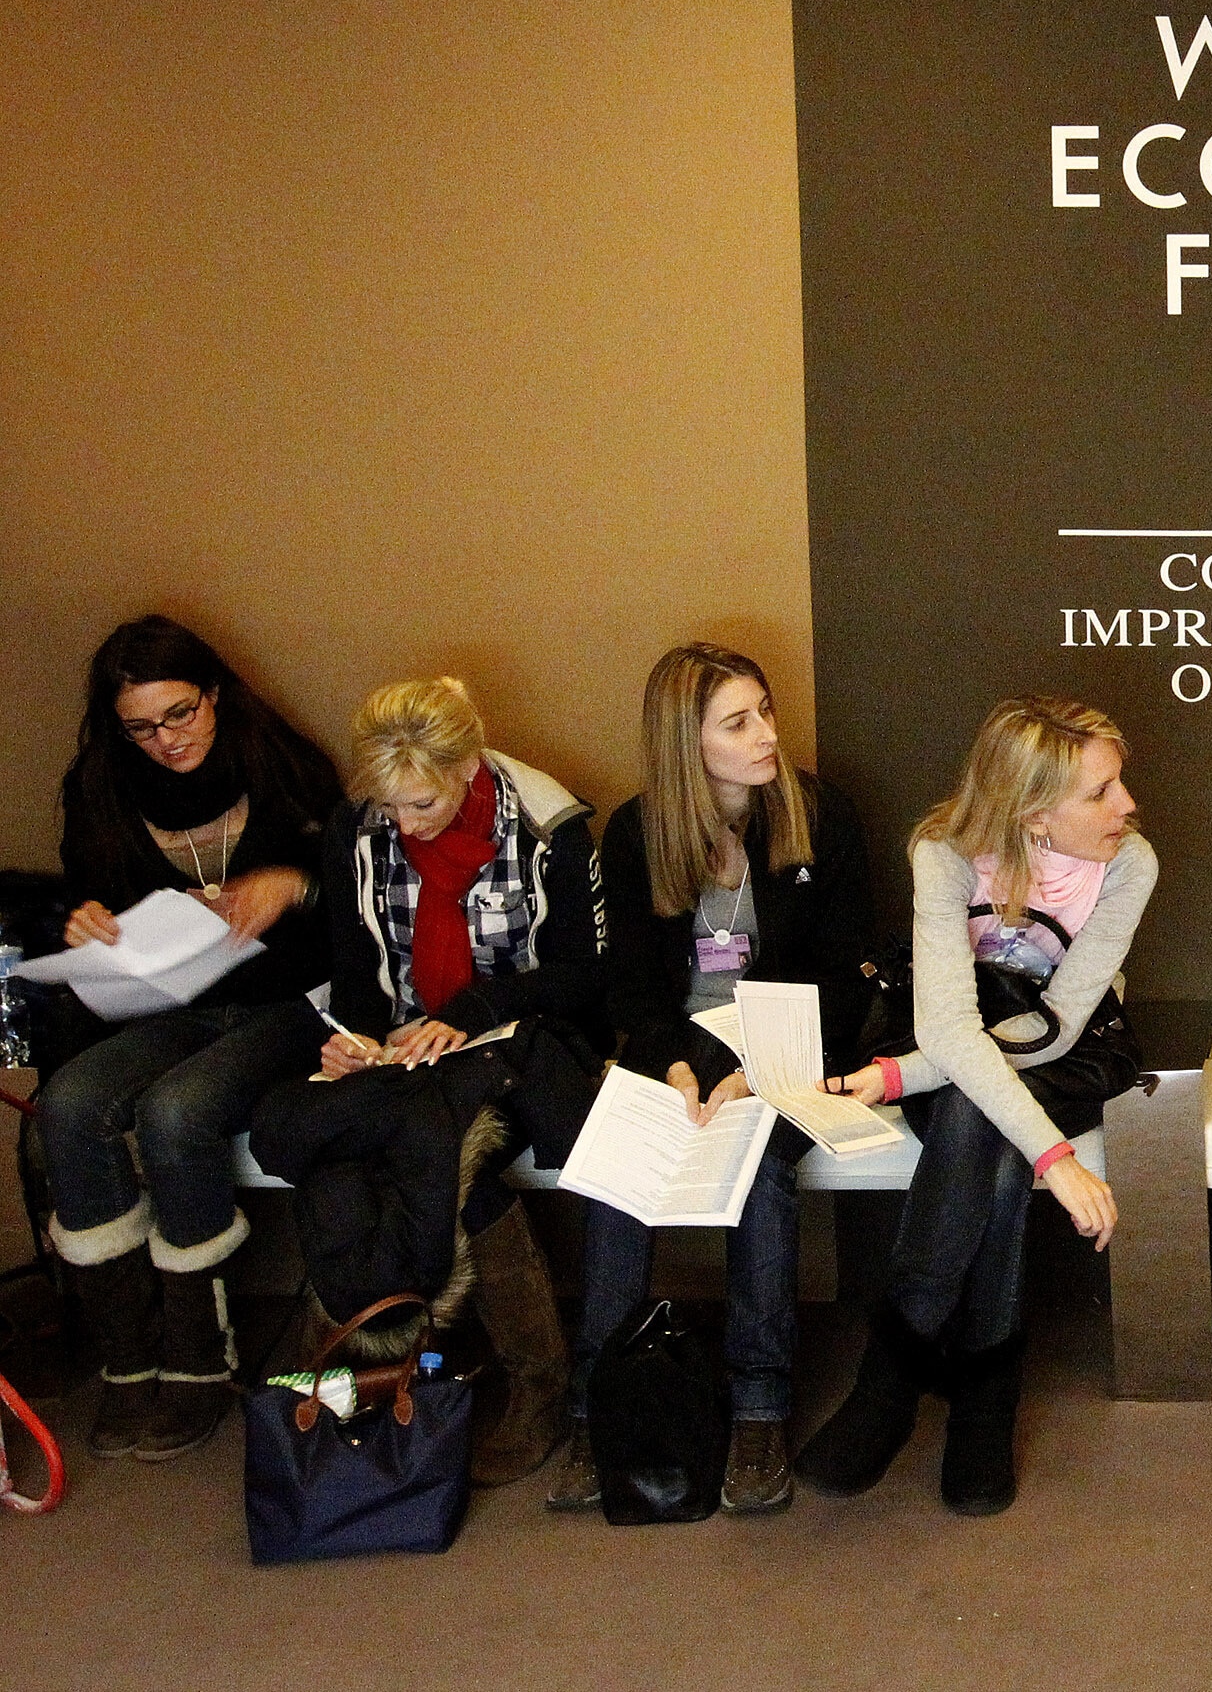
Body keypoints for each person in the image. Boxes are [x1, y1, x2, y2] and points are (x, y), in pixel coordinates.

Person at [794, 695, 1152, 1516]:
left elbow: (1059, 1025)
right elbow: (951, 1026)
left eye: (1118, 782)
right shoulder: (945, 854)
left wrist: (898, 1078)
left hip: (1062, 1054)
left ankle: (889, 1387)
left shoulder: (1132, 863)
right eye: (1100, 792)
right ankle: (984, 1406)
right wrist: (1050, 1158)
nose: (1127, 806)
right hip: (951, 1054)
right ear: (1031, 812)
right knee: (975, 1124)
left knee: (971, 1112)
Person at [251, 675, 607, 1488]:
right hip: (406, 1056)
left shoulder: (548, 827)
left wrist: (474, 1007)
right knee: (334, 1146)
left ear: (468, 765)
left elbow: (583, 979)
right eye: (390, 806)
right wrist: (354, 1044)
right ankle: (359, 1374)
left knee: (444, 1156)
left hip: (516, 1047)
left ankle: (538, 1382)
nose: (403, 824)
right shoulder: (359, 826)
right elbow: (356, 974)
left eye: (422, 805)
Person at [554, 644, 872, 1515]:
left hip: (787, 1045)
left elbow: (848, 980)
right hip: (677, 1049)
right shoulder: (636, 832)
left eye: (766, 711)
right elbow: (632, 987)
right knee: (616, 1170)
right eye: (739, 723)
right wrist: (678, 1064)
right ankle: (594, 1405)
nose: (768, 734)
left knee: (762, 1171)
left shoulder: (818, 815)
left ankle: (760, 1407)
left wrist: (750, 1068)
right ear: (684, 744)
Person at [37, 616, 341, 1461]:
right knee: (70, 1104)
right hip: (167, 1002)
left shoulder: (284, 769)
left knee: (177, 1113)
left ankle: (203, 1362)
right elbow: (79, 900)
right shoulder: (100, 788)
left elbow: (357, 897)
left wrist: (296, 883)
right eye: (141, 726)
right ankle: (130, 1363)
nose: (166, 740)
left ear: (214, 695)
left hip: (287, 1004)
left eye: (180, 714)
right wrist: (82, 920)